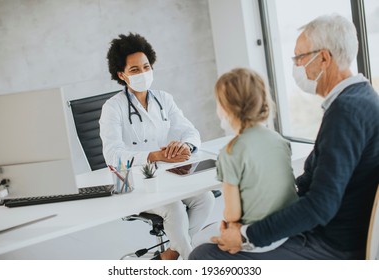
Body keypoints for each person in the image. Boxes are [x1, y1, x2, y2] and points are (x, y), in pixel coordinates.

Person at [189, 14, 379, 260]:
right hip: (334, 234)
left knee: (204, 255)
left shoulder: (346, 111)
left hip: (330, 246)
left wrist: (247, 235)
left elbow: (321, 206)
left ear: (323, 58)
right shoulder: (362, 99)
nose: (296, 65)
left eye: (300, 57)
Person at [100, 33, 214, 260]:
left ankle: (169, 255)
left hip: (167, 176)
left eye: (146, 67)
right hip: (133, 182)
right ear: (122, 75)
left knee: (206, 198)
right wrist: (155, 155)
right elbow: (113, 156)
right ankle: (191, 261)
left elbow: (191, 133)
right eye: (134, 70)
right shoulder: (113, 108)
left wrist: (185, 147)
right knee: (174, 209)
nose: (143, 73)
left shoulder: (164, 99)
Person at [191, 68, 298, 252]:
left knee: (196, 241)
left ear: (228, 108)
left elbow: (232, 214)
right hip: (286, 231)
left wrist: (228, 226)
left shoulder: (231, 152)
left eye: (218, 103)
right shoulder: (279, 140)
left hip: (254, 239)